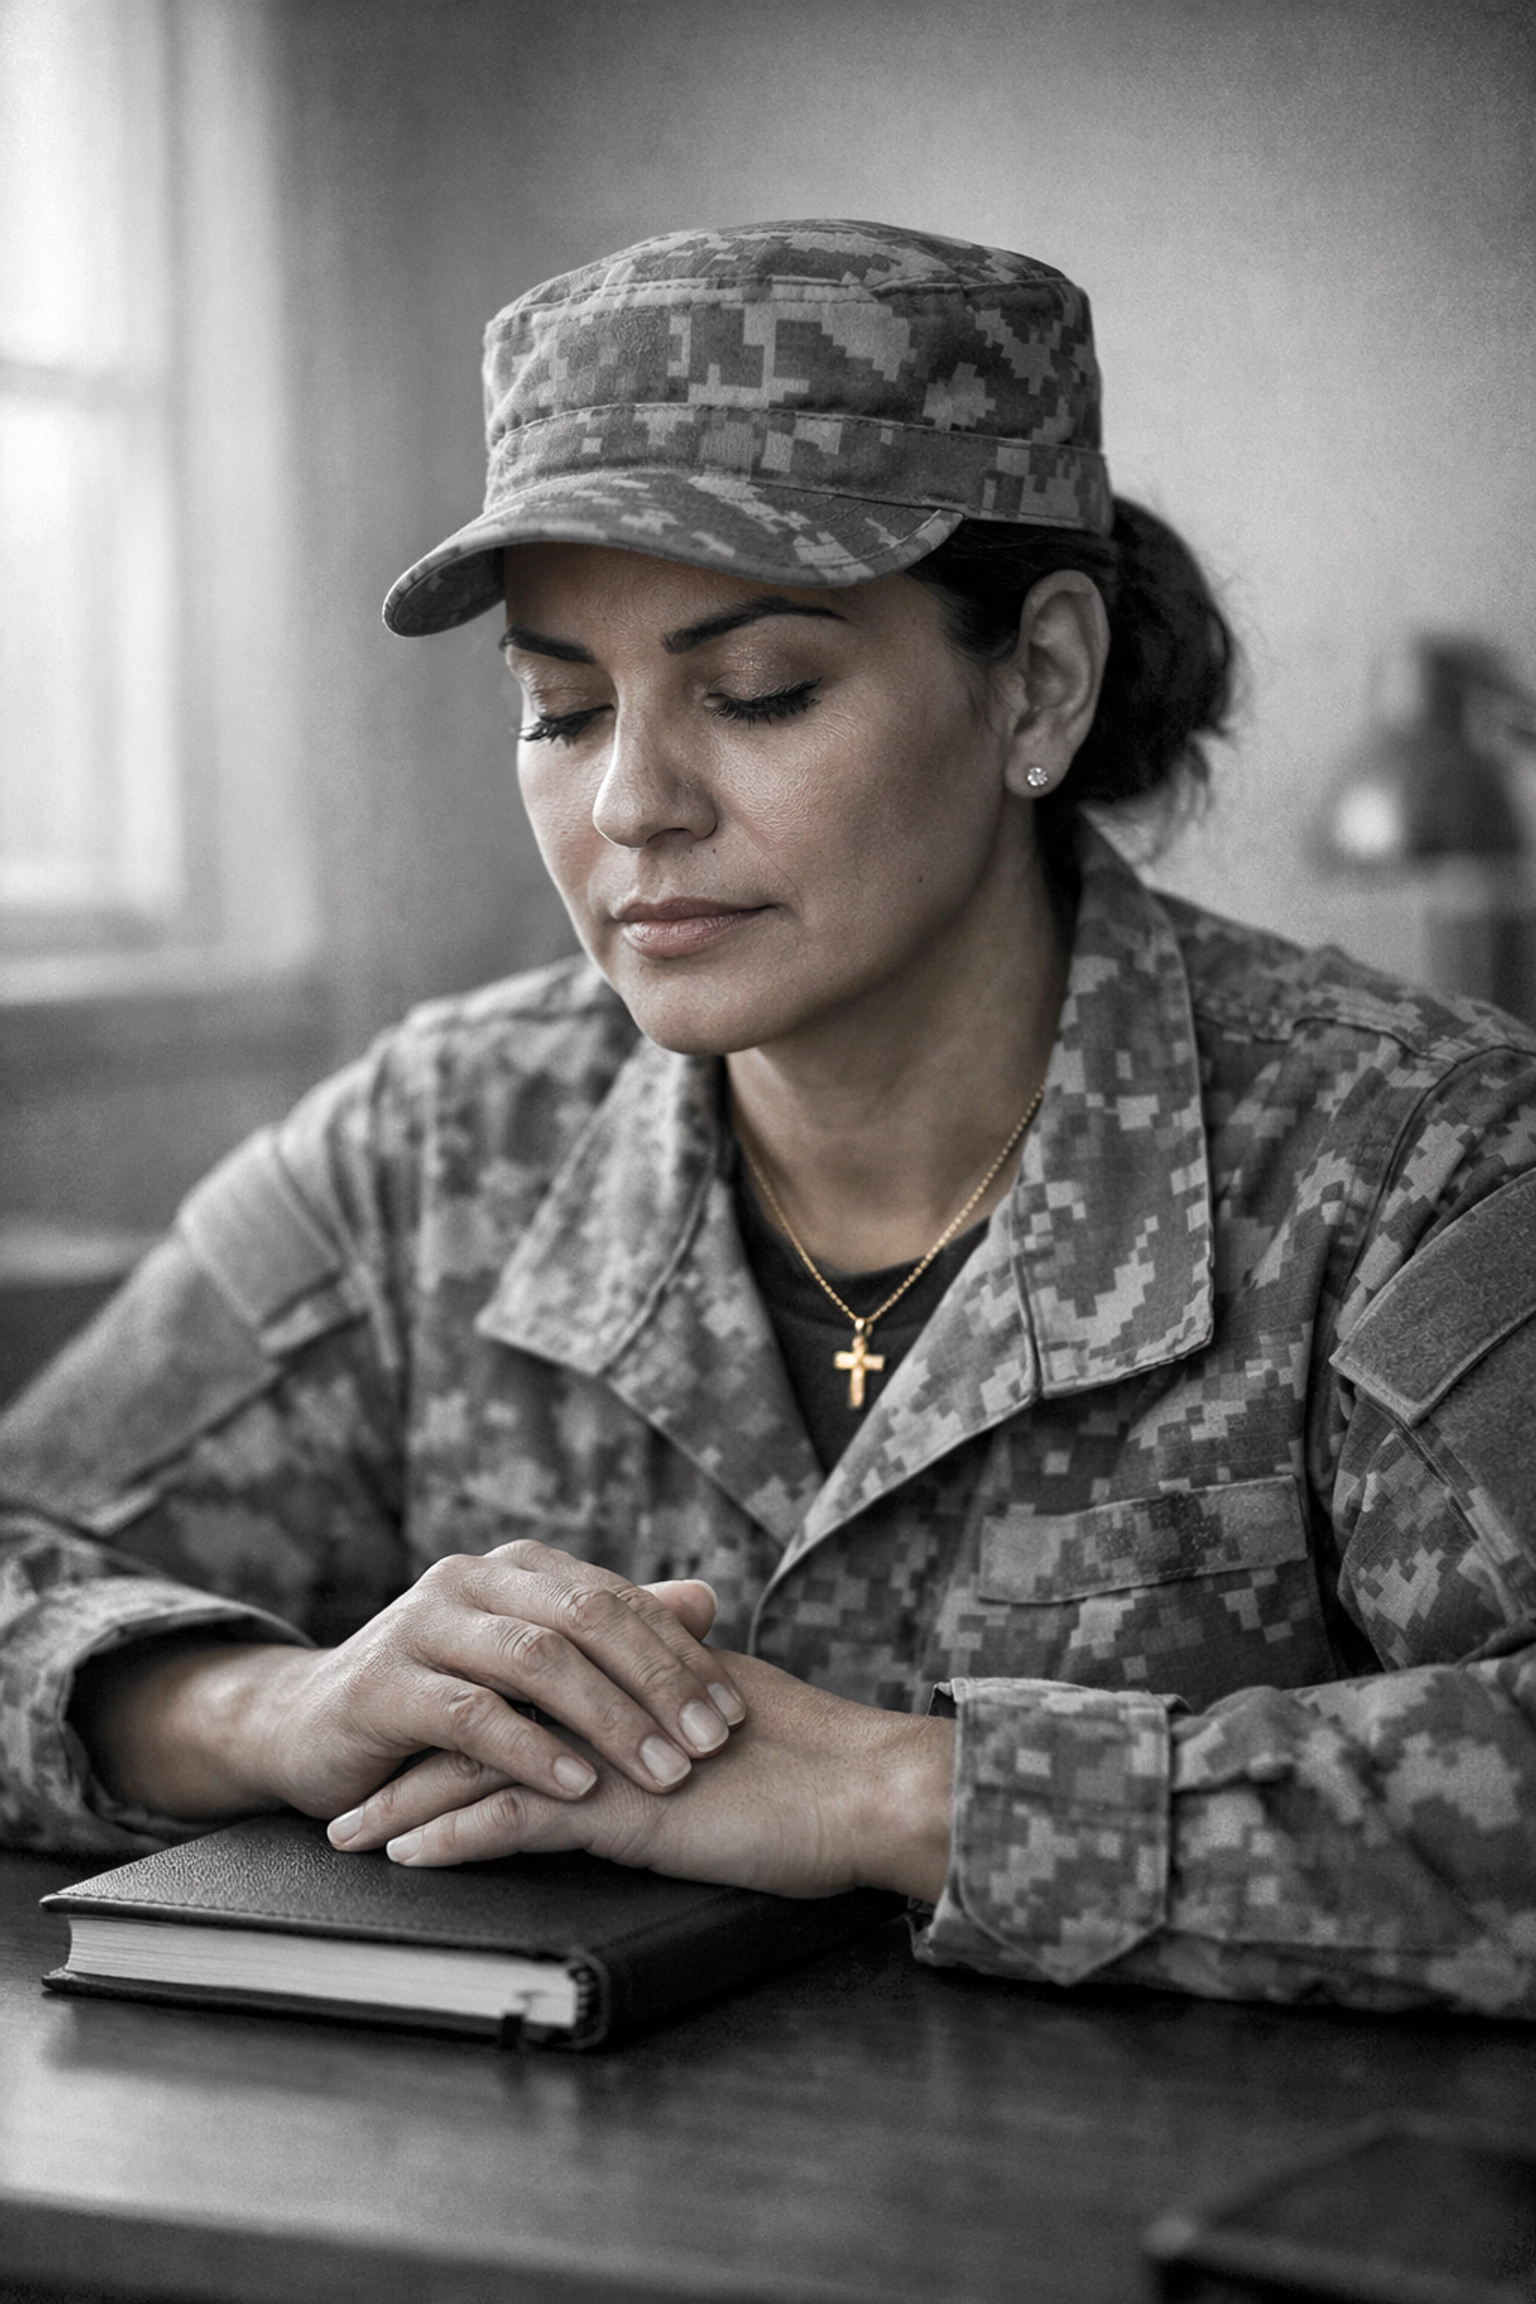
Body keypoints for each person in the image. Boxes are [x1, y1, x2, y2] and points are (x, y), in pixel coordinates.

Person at [3, 220, 1534, 2015]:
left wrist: (906, 1794)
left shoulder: (1412, 1161)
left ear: (1036, 680)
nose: (634, 804)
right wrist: (270, 1707)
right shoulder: (436, 1147)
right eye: (560, 712)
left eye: (758, 695)